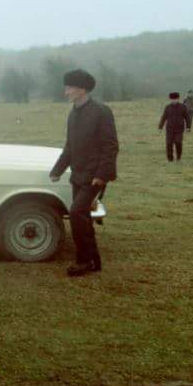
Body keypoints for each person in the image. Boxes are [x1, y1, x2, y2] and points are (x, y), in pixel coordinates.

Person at [49, 69, 119, 277]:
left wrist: (102, 175)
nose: (66, 92)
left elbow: (111, 146)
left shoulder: (101, 111)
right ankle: (94, 261)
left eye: (69, 87)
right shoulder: (73, 114)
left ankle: (83, 261)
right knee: (83, 217)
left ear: (81, 89)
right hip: (77, 175)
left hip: (95, 176)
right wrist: (57, 170)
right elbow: (69, 147)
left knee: (77, 213)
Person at [158, 92, 192, 162]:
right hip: (169, 129)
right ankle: (170, 159)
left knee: (178, 142)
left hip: (179, 129)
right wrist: (160, 127)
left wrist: (188, 127)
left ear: (178, 99)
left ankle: (178, 157)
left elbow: (187, 118)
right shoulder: (167, 107)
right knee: (169, 144)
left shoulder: (183, 107)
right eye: (172, 99)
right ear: (170, 99)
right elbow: (163, 117)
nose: (174, 100)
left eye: (175, 99)